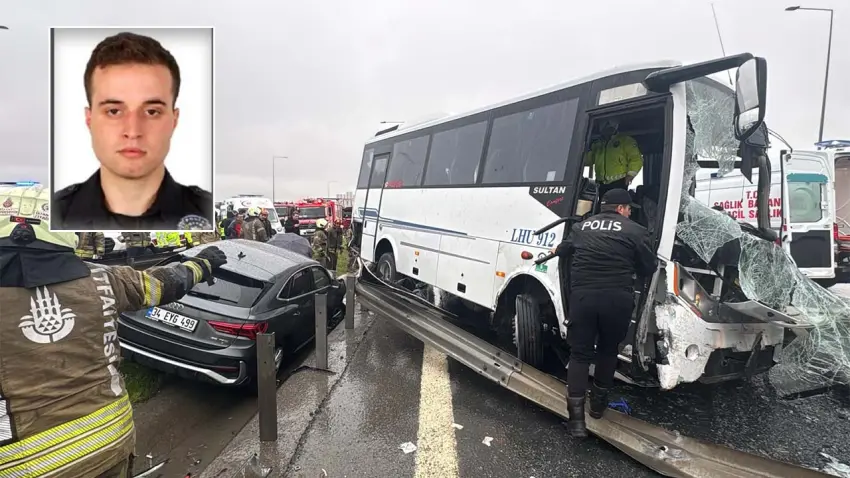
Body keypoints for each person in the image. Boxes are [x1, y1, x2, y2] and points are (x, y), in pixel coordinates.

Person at [0, 183, 227, 478]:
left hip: (24, 462)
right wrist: (203, 265)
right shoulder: (103, 278)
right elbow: (163, 283)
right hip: (110, 441)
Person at [52, 31, 213, 232]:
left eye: (152, 111)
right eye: (114, 111)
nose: (133, 131)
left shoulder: (208, 213)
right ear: (89, 118)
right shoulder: (52, 215)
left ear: (174, 120)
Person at [550, 188, 657, 438]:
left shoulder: (582, 227)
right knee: (608, 351)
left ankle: (576, 422)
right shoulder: (635, 230)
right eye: (629, 208)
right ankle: (597, 408)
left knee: (580, 354)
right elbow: (649, 267)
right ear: (620, 209)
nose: (630, 212)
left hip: (584, 299)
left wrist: (559, 249)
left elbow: (564, 249)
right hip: (616, 301)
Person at [583, 119, 643, 198]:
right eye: (605, 125)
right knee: (603, 206)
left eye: (610, 125)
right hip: (600, 184)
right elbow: (588, 160)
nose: (608, 127)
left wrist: (630, 175)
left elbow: (636, 159)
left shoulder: (625, 140)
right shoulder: (597, 144)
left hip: (619, 182)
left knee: (617, 207)